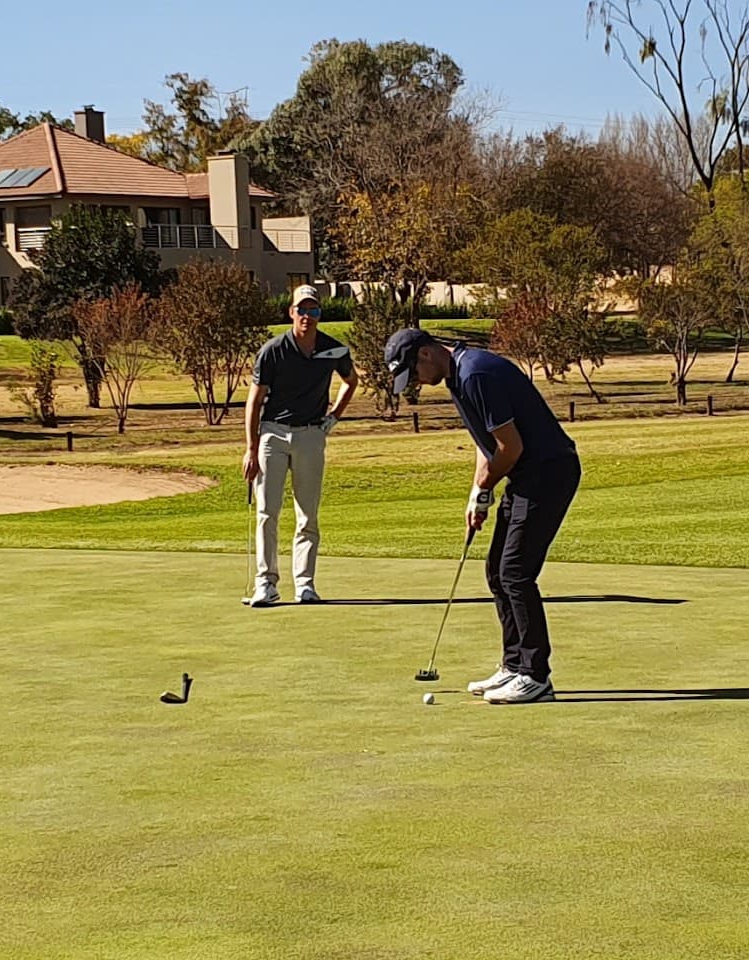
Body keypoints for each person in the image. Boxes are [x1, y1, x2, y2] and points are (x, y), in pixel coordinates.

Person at [384, 327, 580, 704]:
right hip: (527, 474)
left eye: (414, 374)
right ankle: (514, 665)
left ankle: (535, 675)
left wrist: (487, 485)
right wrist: (477, 493)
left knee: (516, 572)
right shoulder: (457, 376)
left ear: (425, 354)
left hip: (549, 472)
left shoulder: (475, 373)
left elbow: (510, 447)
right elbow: (486, 442)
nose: (417, 383)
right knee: (496, 570)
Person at [242, 285, 358, 606]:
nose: (307, 316)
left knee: (307, 514)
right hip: (273, 435)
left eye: (313, 310)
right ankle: (266, 583)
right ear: (291, 312)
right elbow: (254, 402)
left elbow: (351, 381)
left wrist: (333, 417)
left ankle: (305, 584)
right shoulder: (273, 351)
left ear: (320, 314)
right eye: (302, 310)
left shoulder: (333, 349)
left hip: (310, 435)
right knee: (268, 511)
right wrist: (251, 448)